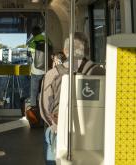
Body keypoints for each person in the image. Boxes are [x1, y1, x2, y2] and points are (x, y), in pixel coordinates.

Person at [39, 32, 105, 165]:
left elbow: (45, 109)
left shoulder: (52, 74)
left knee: (49, 134)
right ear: (87, 50)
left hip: (61, 131)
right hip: (95, 134)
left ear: (65, 51)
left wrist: (55, 125)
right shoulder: (99, 71)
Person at [26, 25, 52, 109]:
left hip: (35, 70)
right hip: (46, 70)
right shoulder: (47, 40)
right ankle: (45, 107)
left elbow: (29, 58)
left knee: (34, 91)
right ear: (40, 32)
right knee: (45, 90)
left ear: (33, 33)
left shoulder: (32, 42)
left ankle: (34, 108)